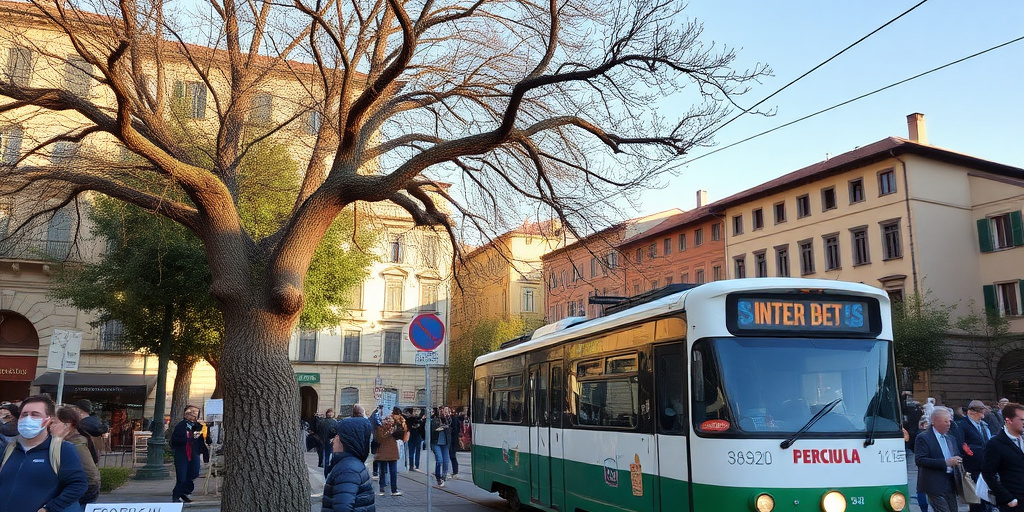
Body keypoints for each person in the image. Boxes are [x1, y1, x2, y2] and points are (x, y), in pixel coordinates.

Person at [0, 394, 88, 512]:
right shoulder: (8, 449)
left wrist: (50, 508)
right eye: (24, 414)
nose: (28, 418)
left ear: (48, 420)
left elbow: (78, 485)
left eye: (35, 414)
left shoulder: (63, 449)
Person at [322, 415, 375, 512]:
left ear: (346, 440)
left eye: (337, 436)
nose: (333, 440)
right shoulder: (351, 464)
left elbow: (343, 507)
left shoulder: (348, 469)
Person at [51, 406, 102, 505]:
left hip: (79, 495)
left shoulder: (75, 443)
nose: (50, 426)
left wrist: (82, 493)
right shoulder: (63, 441)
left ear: (68, 424)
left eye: (54, 423)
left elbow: (91, 475)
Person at [915, 407, 963, 512]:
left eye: (949, 421)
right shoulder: (924, 437)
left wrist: (957, 459)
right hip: (934, 483)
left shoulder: (950, 437)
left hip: (950, 482)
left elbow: (955, 453)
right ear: (935, 421)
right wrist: (945, 463)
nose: (949, 424)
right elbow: (920, 460)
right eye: (945, 421)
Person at [982, 402, 1024, 512]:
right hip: (1014, 503)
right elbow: (988, 473)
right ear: (1008, 420)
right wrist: (1007, 498)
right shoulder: (995, 444)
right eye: (1022, 420)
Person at [958, 400, 994, 512]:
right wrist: (972, 451)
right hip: (972, 467)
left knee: (986, 496)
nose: (982, 416)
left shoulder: (983, 425)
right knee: (976, 499)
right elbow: (961, 444)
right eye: (980, 413)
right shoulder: (962, 425)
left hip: (985, 465)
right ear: (971, 412)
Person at [169, 404, 210, 503]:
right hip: (182, 454)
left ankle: (185, 491)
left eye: (195, 413)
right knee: (182, 476)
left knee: (194, 472)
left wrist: (205, 433)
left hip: (194, 453)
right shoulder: (181, 425)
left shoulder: (199, 426)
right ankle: (176, 495)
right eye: (191, 413)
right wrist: (188, 438)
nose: (194, 415)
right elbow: (174, 441)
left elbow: (207, 438)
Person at [373, 415, 404, 496]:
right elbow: (380, 439)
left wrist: (397, 429)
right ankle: (382, 488)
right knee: (383, 471)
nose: (388, 421)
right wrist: (389, 433)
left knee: (393, 472)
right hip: (383, 452)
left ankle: (394, 490)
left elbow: (400, 436)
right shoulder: (379, 428)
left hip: (392, 452)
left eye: (390, 419)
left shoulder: (395, 427)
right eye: (386, 419)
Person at [430, 407, 452, 487]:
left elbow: (452, 426)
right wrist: (439, 427)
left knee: (446, 461)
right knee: (439, 460)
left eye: (446, 411)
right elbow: (432, 429)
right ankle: (438, 477)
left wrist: (447, 417)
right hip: (436, 442)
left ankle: (444, 476)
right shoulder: (435, 420)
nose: (444, 412)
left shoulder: (448, 419)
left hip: (445, 443)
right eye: (442, 411)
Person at [318, 409, 339, 477]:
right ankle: (329, 475)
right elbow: (336, 432)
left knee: (325, 458)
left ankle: (325, 473)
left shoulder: (321, 422)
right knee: (330, 459)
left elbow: (318, 431)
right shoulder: (335, 422)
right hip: (330, 442)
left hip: (321, 442)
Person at [448, 407, 466, 480]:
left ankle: (454, 472)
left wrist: (448, 429)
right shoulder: (451, 419)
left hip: (452, 440)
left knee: (452, 456)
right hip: (450, 440)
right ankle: (454, 472)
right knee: (451, 457)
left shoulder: (454, 419)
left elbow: (456, 430)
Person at [404, 408, 423, 472]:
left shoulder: (420, 419)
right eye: (415, 411)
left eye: (417, 411)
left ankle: (417, 465)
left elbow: (422, 428)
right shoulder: (409, 419)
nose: (416, 412)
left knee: (417, 451)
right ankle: (411, 465)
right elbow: (408, 427)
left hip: (418, 437)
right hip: (411, 437)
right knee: (411, 451)